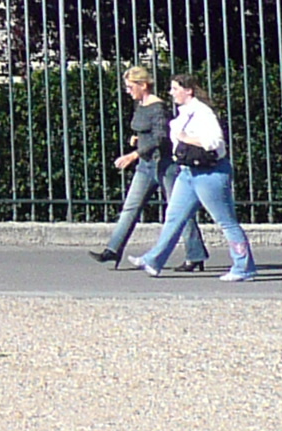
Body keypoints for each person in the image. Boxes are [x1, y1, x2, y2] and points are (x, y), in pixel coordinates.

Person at [134, 75, 257, 282]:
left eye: (175, 88)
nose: (171, 93)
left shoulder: (203, 113)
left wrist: (185, 138)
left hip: (210, 173)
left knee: (225, 221)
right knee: (174, 218)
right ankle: (154, 260)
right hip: (187, 173)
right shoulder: (186, 113)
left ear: (188, 90)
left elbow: (214, 141)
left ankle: (244, 266)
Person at [96, 66, 208, 271]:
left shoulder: (158, 107)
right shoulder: (141, 105)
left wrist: (133, 154)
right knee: (130, 207)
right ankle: (113, 249)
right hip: (146, 166)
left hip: (165, 166)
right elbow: (147, 131)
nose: (128, 91)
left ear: (143, 85)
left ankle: (195, 254)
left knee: (178, 210)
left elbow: (161, 136)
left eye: (131, 87)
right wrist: (137, 139)